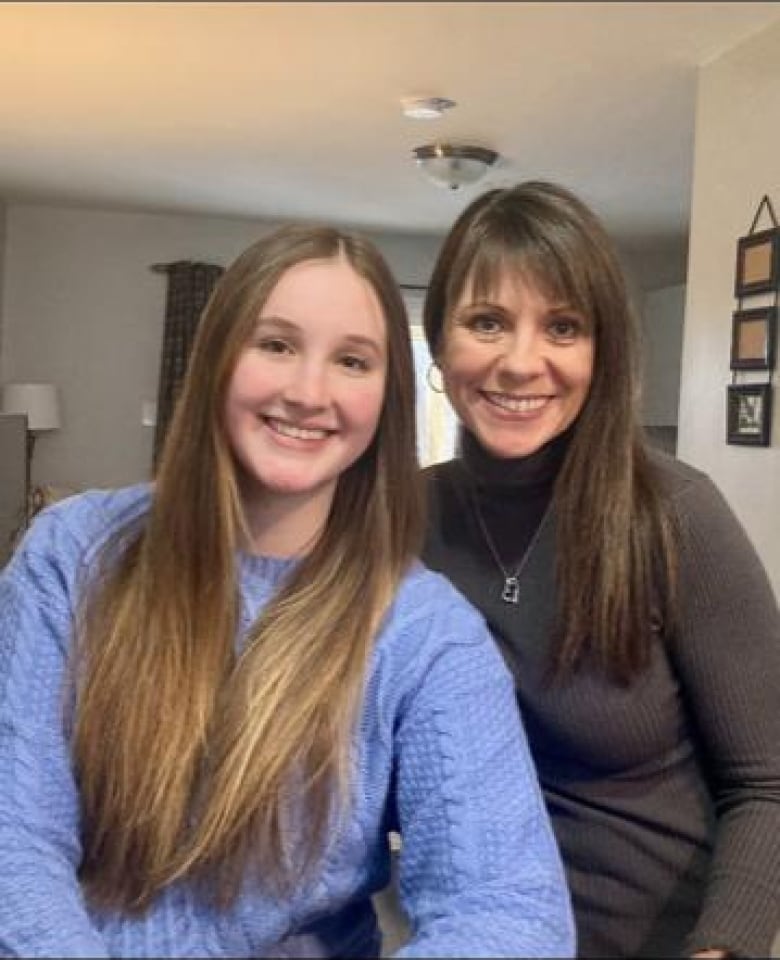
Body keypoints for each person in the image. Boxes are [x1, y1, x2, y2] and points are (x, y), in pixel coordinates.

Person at [0, 224, 575, 959]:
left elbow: (512, 914)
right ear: (215, 360)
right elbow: (15, 839)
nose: (309, 393)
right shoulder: (71, 553)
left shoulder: (426, 634)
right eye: (275, 344)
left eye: (353, 361)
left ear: (386, 398)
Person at [420, 182, 780, 959]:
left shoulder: (675, 514)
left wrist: (720, 951)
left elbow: (770, 784)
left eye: (563, 327)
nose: (522, 363)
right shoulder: (397, 520)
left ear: (601, 349)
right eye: (487, 321)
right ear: (439, 342)